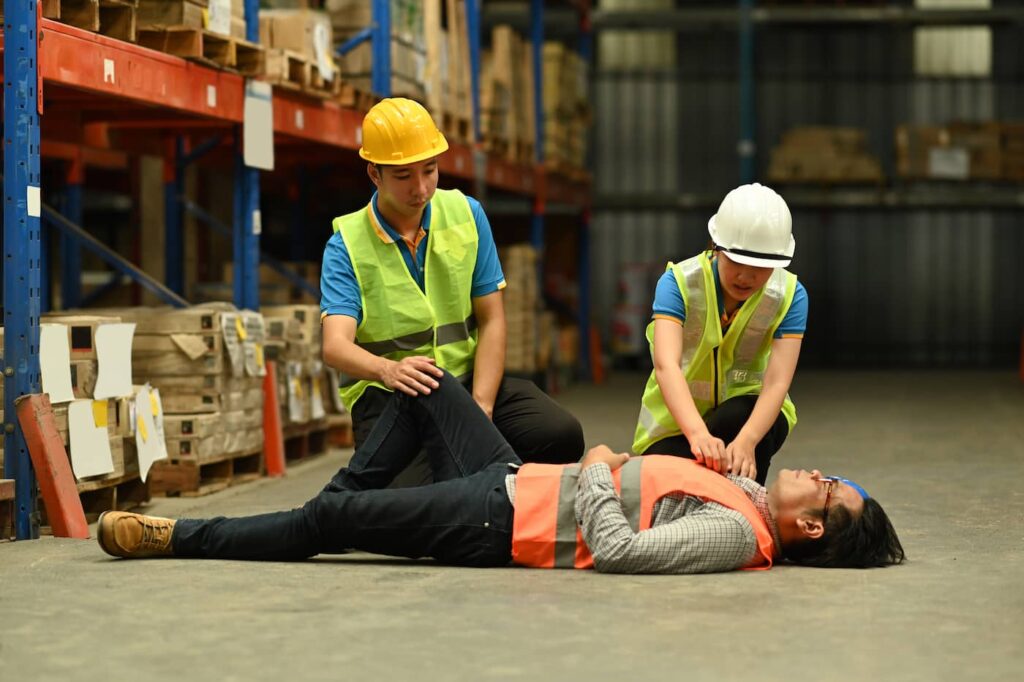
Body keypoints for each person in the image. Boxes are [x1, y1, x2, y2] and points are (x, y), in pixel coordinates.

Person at [97, 371, 904, 574]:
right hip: (516, 478)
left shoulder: (735, 536)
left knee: (332, 527)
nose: (820, 475)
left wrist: (594, 466)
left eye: (828, 490)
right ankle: (335, 504)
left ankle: (177, 538)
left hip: (500, 520)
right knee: (420, 384)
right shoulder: (749, 498)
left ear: (807, 527)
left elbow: (619, 552)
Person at [319, 97, 583, 483]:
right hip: (392, 397)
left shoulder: (467, 215)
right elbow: (334, 345)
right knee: (414, 508)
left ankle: (485, 481)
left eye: (430, 170)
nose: (421, 188)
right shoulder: (347, 245)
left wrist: (481, 410)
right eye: (404, 175)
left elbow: (493, 320)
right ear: (374, 174)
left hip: (464, 381)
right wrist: (388, 370)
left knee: (560, 436)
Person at [633, 183, 808, 485]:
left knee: (742, 419)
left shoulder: (790, 295)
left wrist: (748, 441)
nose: (747, 275)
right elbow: (666, 365)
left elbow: (778, 381)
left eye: (761, 266)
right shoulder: (678, 283)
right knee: (668, 481)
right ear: (716, 246)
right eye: (737, 261)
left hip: (745, 420)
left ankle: (746, 510)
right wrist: (698, 434)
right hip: (676, 426)